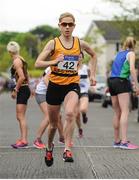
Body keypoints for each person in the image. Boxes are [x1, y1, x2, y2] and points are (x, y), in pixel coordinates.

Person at [35, 12, 97, 166]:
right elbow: (37, 63)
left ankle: (67, 149)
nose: (67, 27)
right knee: (54, 125)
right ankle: (49, 147)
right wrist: (55, 60)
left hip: (72, 84)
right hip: (55, 85)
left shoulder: (79, 43)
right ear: (60, 26)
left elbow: (94, 55)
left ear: (74, 26)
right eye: (64, 24)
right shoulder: (53, 43)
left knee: (70, 113)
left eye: (70, 24)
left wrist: (93, 75)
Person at [108, 36, 139, 150]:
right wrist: (136, 85)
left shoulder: (119, 53)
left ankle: (117, 141)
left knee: (117, 112)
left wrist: (110, 85)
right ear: (134, 45)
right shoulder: (131, 54)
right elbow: (132, 69)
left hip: (112, 81)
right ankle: (124, 142)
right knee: (125, 111)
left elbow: (113, 70)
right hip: (121, 81)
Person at [7, 41, 31, 148]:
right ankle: (22, 138)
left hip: (22, 89)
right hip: (24, 88)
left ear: (10, 51)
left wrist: (16, 90)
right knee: (20, 116)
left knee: (20, 116)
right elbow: (27, 74)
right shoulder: (21, 59)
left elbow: (22, 77)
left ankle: (24, 140)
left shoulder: (17, 61)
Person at [33, 67, 64, 149]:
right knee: (48, 116)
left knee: (58, 116)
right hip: (42, 93)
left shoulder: (66, 66)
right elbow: (45, 78)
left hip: (51, 94)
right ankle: (37, 140)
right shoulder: (56, 65)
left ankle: (62, 138)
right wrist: (52, 90)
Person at [76, 53, 90, 138]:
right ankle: (80, 129)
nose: (78, 58)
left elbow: (91, 76)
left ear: (82, 58)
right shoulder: (72, 67)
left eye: (80, 57)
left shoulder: (86, 68)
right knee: (76, 114)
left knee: (83, 109)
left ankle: (84, 115)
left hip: (84, 91)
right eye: (77, 57)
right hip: (74, 92)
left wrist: (92, 80)